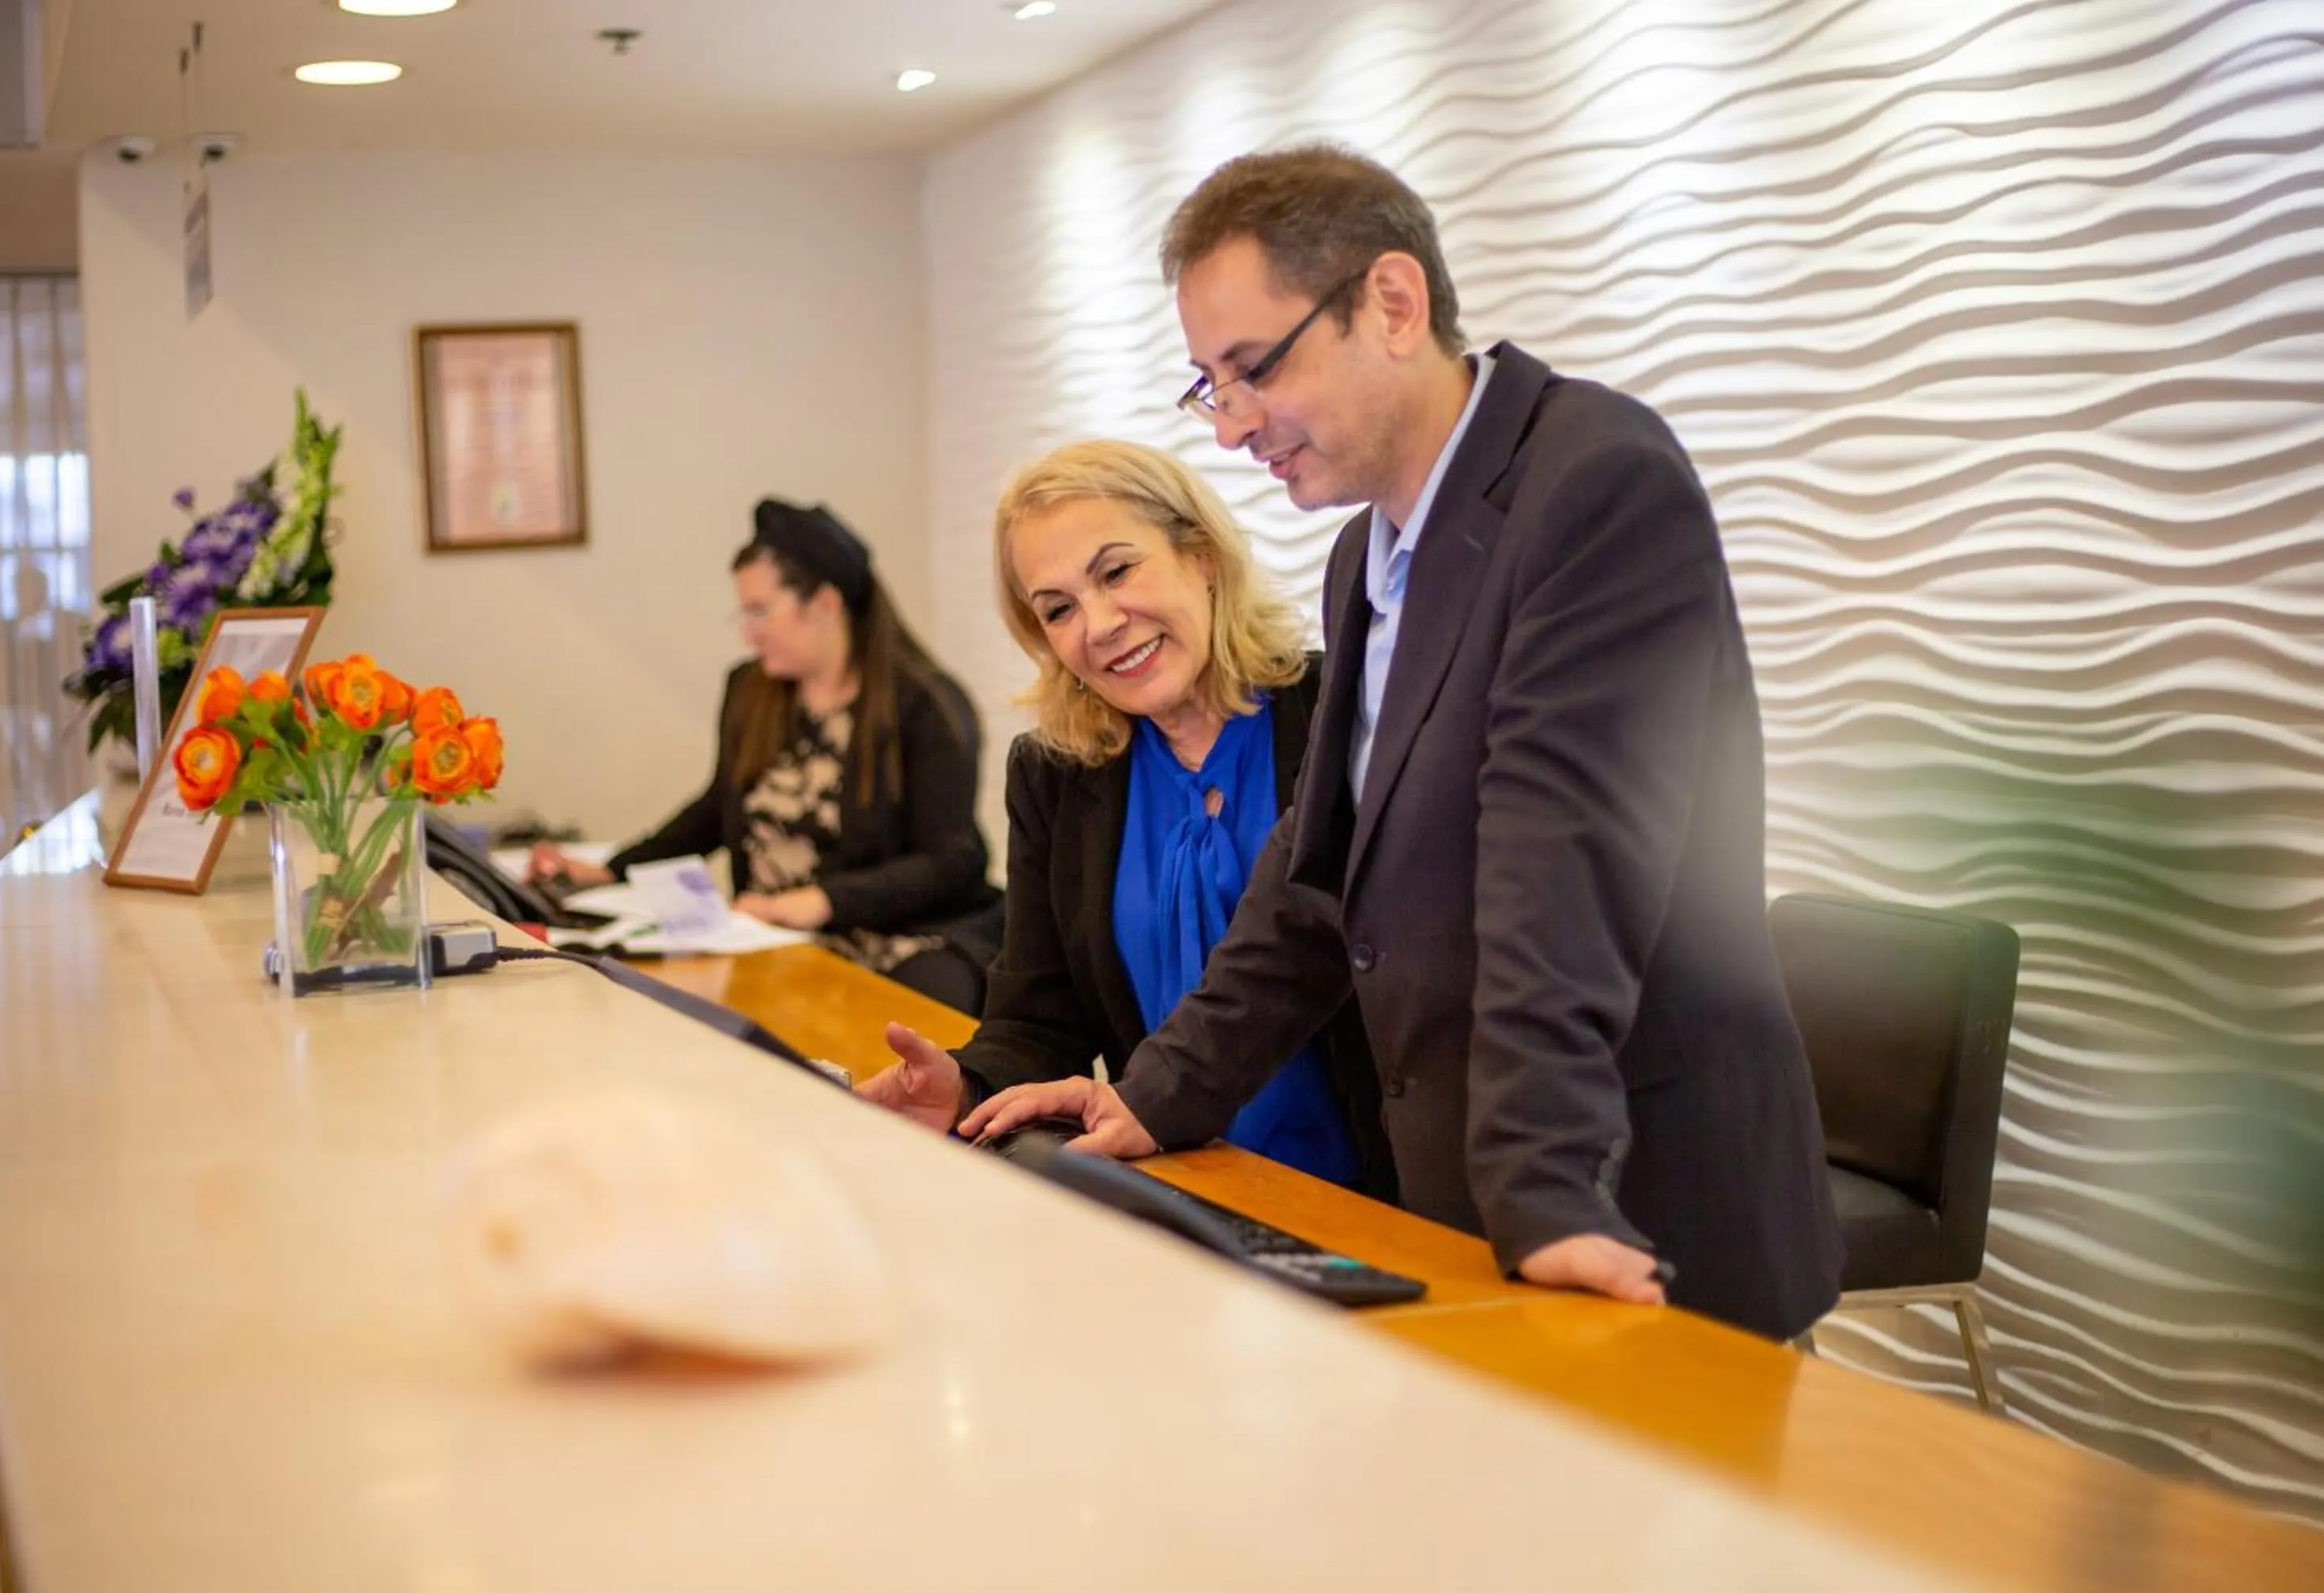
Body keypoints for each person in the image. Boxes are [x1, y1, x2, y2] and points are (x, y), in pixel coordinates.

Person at [964, 145, 1842, 1341]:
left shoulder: (1592, 482)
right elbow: (1316, 875)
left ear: (1391, 302)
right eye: (1208, 386)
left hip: (1624, 1197)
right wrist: (1159, 1098)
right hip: (1474, 1205)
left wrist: (1540, 1185)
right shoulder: (1364, 557)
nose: (1231, 431)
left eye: (1253, 371)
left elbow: (1563, 867)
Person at [856, 440, 1394, 1196]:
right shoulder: (1054, 775)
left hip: (1378, 1200)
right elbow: (1041, 1021)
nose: (1100, 624)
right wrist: (968, 1086)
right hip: (1184, 1192)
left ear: (1201, 555)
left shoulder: (1343, 711)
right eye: (1058, 610)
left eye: (1117, 572)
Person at [531, 499, 999, 1012]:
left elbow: (955, 861)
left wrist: (819, 903)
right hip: (769, 940)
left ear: (824, 603)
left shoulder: (925, 705)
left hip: (902, 940)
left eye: (760, 611)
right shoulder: (751, 691)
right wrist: (614, 868)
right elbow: (717, 808)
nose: (748, 632)